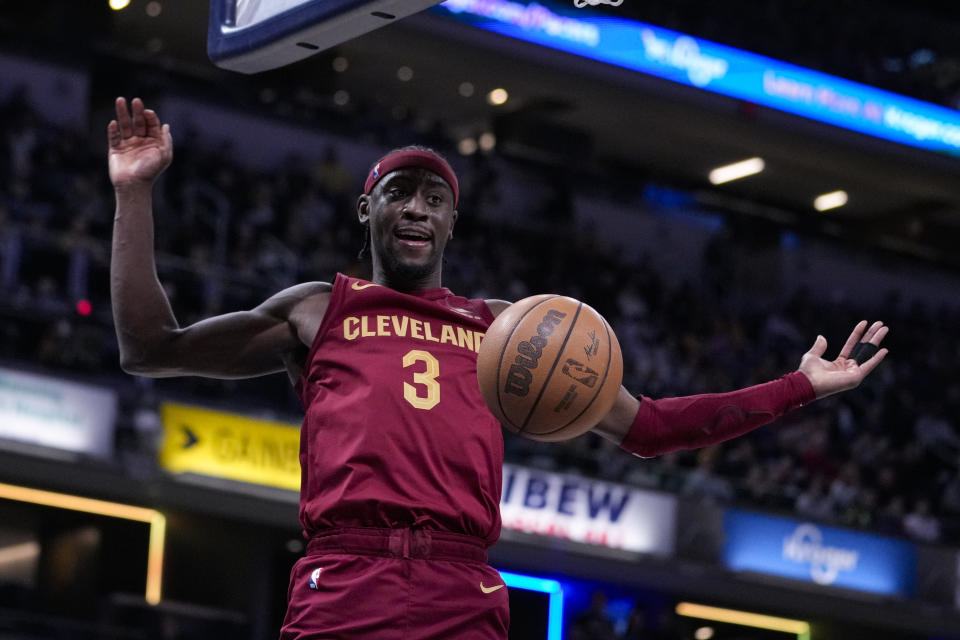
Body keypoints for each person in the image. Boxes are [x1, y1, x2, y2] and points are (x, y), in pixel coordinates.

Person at [107, 97, 889, 639]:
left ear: (453, 220)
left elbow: (646, 428)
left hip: (463, 588)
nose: (416, 208)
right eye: (399, 193)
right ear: (367, 210)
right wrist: (135, 194)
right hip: (346, 576)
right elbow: (151, 347)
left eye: (433, 198)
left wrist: (797, 388)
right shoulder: (319, 309)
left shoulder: (510, 331)